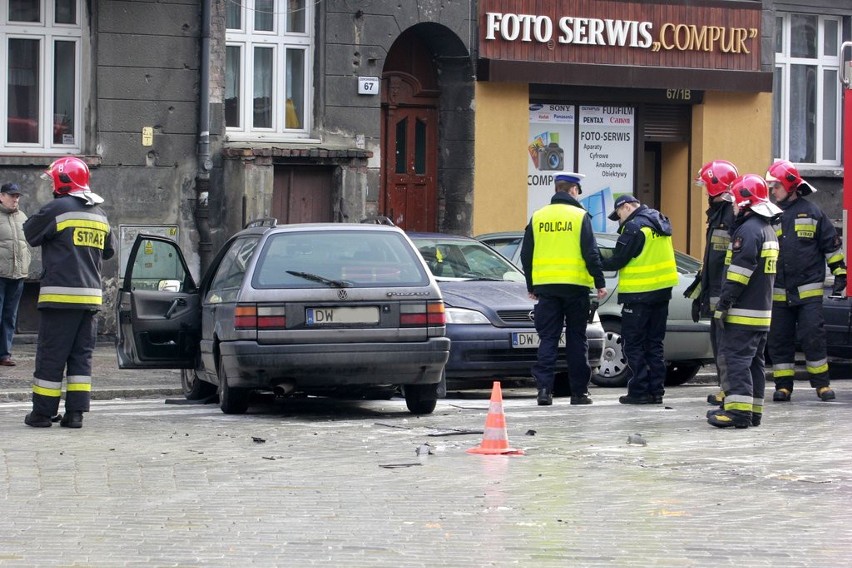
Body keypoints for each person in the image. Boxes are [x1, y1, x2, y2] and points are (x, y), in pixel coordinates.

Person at [23, 156, 115, 429]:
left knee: (52, 356)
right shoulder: (100, 214)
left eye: (53, 179)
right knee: (80, 357)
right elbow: (109, 251)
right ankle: (75, 414)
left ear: (63, 180)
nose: (51, 183)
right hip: (90, 300)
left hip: (59, 298)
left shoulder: (57, 208)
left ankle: (42, 414)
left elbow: (30, 233)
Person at [520, 172, 607, 406]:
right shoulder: (579, 216)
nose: (579, 195)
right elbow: (591, 252)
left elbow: (526, 253)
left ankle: (544, 391)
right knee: (576, 339)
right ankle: (579, 393)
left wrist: (532, 285)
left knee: (548, 339)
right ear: (572, 191)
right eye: (578, 191)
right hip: (576, 288)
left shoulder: (538, 216)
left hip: (547, 289)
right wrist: (599, 282)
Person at [764, 160, 846, 403]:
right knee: (779, 340)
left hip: (808, 292)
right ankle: (783, 386)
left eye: (776, 186)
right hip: (778, 292)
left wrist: (840, 272)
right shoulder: (770, 216)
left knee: (813, 337)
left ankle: (821, 385)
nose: (772, 191)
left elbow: (830, 245)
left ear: (790, 186)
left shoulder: (812, 212)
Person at [707, 174, 780, 428]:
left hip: (742, 312)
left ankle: (738, 413)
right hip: (761, 313)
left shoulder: (747, 231)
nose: (734, 205)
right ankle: (753, 412)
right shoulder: (767, 229)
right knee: (754, 363)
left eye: (736, 200)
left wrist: (724, 303)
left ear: (747, 201)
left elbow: (739, 273)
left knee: (734, 360)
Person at [601, 194, 678, 405]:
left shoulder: (634, 227)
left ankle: (639, 391)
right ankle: (656, 391)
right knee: (654, 343)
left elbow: (618, 259)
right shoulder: (659, 222)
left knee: (633, 343)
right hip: (661, 294)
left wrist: (594, 259)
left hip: (638, 295)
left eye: (618, 214)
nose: (619, 220)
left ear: (626, 207)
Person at [689, 160, 738, 405]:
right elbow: (712, 262)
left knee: (726, 346)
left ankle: (729, 391)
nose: (705, 191)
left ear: (717, 186)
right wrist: (700, 294)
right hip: (717, 293)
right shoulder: (719, 214)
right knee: (719, 345)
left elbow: (730, 262)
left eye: (707, 186)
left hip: (726, 295)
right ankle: (725, 388)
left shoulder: (731, 215)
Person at [0, 182, 31, 367]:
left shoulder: (23, 217)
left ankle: (4, 354)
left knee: (9, 317)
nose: (15, 199)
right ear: (1, 196)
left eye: (17, 196)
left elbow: (27, 243)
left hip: (18, 275)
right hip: (0, 274)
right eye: (12, 195)